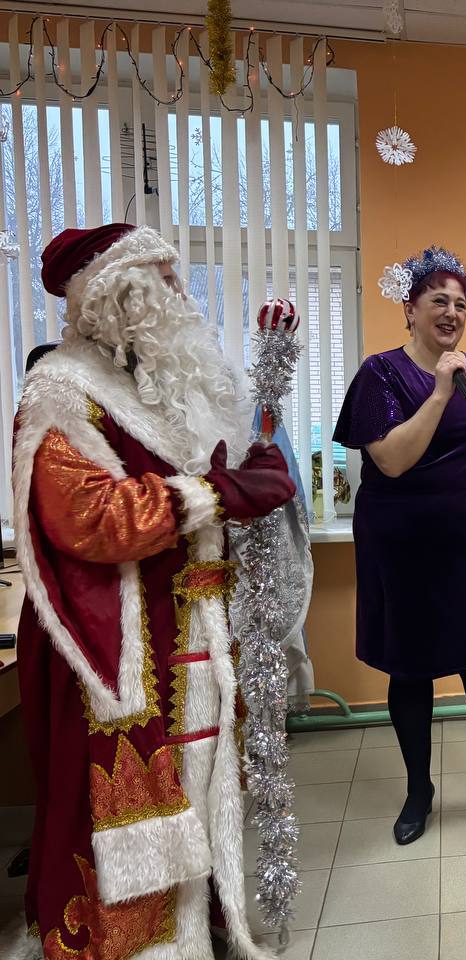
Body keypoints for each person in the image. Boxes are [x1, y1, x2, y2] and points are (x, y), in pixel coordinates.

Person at [10, 224, 295, 959]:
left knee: (203, 784)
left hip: (197, 632)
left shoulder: (164, 385)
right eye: (163, 282)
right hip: (121, 647)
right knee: (134, 805)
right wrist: (217, 493)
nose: (180, 297)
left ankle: (203, 928)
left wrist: (244, 476)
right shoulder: (61, 390)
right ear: (115, 296)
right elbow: (89, 518)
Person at [334, 246, 466, 847]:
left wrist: (459, 494)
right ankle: (419, 790)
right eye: (438, 301)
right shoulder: (380, 374)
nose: (451, 313)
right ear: (409, 309)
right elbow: (390, 460)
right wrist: (441, 392)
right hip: (403, 551)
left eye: (460, 304)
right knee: (411, 669)